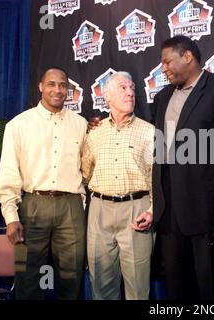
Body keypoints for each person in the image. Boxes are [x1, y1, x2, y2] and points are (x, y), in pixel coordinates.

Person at [151, 35, 214, 299]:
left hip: (208, 209)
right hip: (170, 212)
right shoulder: (161, 98)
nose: (164, 69)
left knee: (211, 287)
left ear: (188, 57)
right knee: (176, 286)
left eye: (167, 62)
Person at [0, 67, 87, 299]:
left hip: (71, 207)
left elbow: (87, 169)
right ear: (40, 87)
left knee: (72, 277)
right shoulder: (18, 125)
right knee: (26, 276)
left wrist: (81, 203)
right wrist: (11, 217)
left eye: (63, 85)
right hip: (32, 206)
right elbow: (8, 173)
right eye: (51, 84)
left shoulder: (81, 124)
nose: (57, 90)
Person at [81, 71, 155, 300]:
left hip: (137, 210)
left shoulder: (149, 131)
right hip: (100, 210)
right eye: (123, 88)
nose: (130, 92)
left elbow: (157, 178)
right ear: (107, 97)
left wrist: (152, 210)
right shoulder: (94, 132)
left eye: (132, 88)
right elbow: (85, 172)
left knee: (137, 287)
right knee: (101, 286)